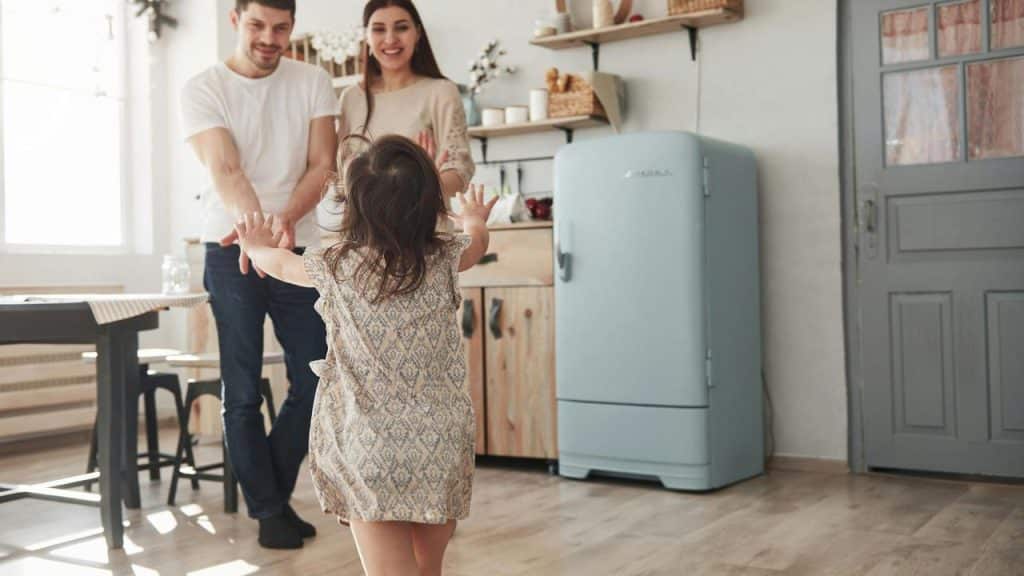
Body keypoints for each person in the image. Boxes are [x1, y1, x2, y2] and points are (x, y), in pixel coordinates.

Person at [234, 135, 496, 576]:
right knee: (426, 569)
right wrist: (473, 218)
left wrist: (256, 244)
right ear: (430, 201)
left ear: (352, 206)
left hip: (367, 443)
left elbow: (278, 265)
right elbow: (477, 243)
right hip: (439, 442)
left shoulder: (334, 264)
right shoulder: (446, 257)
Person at [180, 0, 337, 549]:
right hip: (232, 248)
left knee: (319, 375)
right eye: (257, 26)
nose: (269, 38)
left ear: (292, 26)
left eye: (281, 27)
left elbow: (323, 163)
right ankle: (271, 510)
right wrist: (254, 232)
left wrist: (285, 221)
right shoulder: (203, 87)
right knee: (242, 388)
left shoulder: (314, 80)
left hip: (298, 244)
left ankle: (267, 489)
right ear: (234, 21)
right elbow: (225, 167)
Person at [330, 0, 474, 224]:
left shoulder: (441, 92)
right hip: (364, 239)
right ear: (366, 36)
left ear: (417, 33)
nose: (390, 39)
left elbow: (460, 169)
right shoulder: (351, 98)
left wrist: (426, 183)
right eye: (378, 29)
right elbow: (341, 174)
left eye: (401, 27)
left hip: (423, 238)